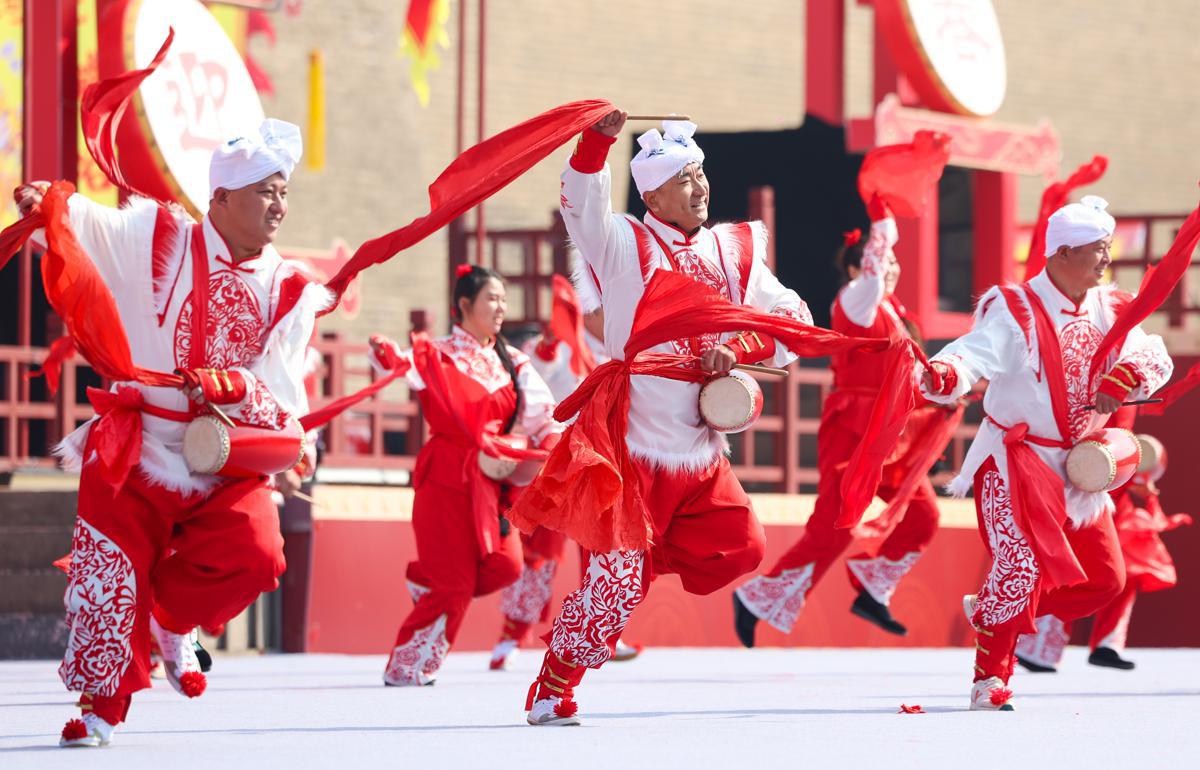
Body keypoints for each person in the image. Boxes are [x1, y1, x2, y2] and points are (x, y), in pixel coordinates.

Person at [16, 119, 325, 747]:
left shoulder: (289, 287)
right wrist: (51, 201)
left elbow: (284, 390)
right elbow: (90, 227)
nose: (279, 206)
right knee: (111, 570)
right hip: (138, 442)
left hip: (226, 454)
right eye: (265, 192)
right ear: (222, 197)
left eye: (283, 193)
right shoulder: (160, 236)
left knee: (258, 555)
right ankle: (99, 711)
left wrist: (246, 396)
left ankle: (170, 619)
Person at [516, 108, 811, 726]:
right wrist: (595, 144)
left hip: (699, 452)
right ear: (651, 195)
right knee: (615, 591)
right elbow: (580, 207)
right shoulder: (623, 242)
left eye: (700, 174)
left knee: (742, 548)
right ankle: (554, 685)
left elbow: (793, 319)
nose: (699, 187)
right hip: (632, 445)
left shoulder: (734, 249)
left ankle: (635, 561)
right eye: (683, 179)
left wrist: (743, 347)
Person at [919, 195, 1173, 710]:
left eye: (1107, 247)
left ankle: (994, 610)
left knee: (1105, 581)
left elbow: (1155, 354)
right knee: (1018, 567)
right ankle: (989, 682)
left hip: (1080, 468)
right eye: (1098, 248)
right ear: (1063, 253)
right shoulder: (1014, 307)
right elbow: (974, 351)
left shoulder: (1112, 307)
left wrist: (1128, 373)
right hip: (1015, 461)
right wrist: (947, 373)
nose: (1107, 259)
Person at [733, 209, 953, 643]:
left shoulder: (895, 313)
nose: (890, 269)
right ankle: (758, 597)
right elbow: (872, 280)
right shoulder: (855, 300)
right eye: (882, 261)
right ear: (857, 268)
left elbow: (908, 380)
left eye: (894, 262)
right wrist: (884, 227)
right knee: (834, 526)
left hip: (887, 435)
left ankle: (873, 589)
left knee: (923, 515)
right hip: (853, 431)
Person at [369, 264, 563, 686]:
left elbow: (546, 416)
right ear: (464, 304)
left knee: (506, 565)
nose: (501, 307)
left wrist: (550, 446)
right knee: (455, 585)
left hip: (492, 481)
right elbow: (398, 366)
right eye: (491, 298)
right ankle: (406, 668)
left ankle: (427, 581)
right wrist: (384, 354)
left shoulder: (513, 361)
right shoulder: (435, 353)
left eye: (503, 299)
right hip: (445, 476)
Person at [490, 282, 640, 669]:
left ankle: (602, 633)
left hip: (603, 462)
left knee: (602, 550)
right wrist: (544, 352)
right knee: (542, 552)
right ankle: (511, 636)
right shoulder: (558, 346)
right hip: (559, 459)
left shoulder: (619, 350)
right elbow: (532, 378)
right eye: (604, 308)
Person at [1014, 426, 1190, 672]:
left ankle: (1107, 645)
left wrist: (1134, 475)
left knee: (1127, 573)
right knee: (1068, 573)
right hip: (1081, 492)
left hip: (1116, 502)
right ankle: (1033, 643)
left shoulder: (1127, 406)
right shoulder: (1088, 410)